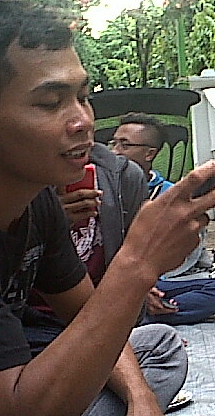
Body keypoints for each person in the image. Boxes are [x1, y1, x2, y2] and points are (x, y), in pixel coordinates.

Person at [0, 0, 215, 416]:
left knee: (157, 348)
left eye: (82, 97)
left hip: (10, 378)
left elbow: (83, 311)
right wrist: (138, 263)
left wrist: (141, 400)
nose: (83, 122)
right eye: (49, 103)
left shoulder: (35, 197)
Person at [23, 141, 148, 355]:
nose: (82, 125)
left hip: (100, 316)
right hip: (31, 324)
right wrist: (50, 223)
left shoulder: (122, 175)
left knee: (163, 341)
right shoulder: (14, 183)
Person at [110, 112, 215, 326]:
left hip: (159, 280)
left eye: (125, 145)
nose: (115, 151)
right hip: (113, 279)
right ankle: (135, 314)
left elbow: (187, 252)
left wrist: (149, 285)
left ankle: (141, 315)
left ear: (149, 154)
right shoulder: (101, 188)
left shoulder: (170, 194)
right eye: (113, 143)